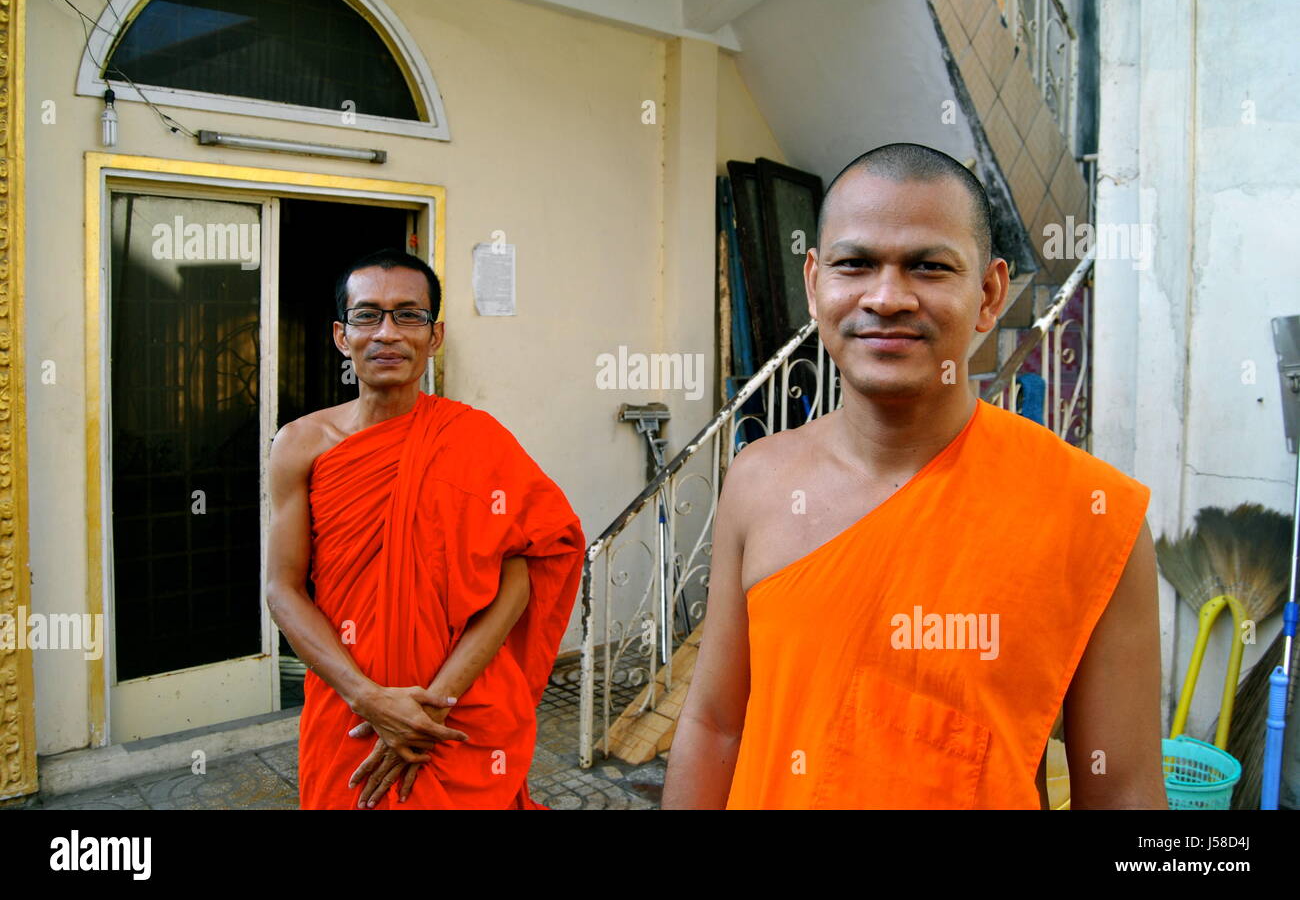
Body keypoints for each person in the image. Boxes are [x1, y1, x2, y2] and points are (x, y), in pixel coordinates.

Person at [662, 143, 1167, 809]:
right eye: (855, 264)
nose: (888, 297)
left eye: (929, 267)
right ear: (815, 285)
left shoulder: (1091, 513)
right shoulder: (759, 481)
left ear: (987, 294)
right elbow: (716, 725)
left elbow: (1124, 791)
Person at [267, 247, 584, 809]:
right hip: (348, 712)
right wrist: (368, 699)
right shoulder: (300, 445)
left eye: (407, 315)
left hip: (456, 716)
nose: (387, 333)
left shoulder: (476, 440)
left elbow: (521, 575)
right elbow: (283, 588)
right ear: (342, 336)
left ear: (434, 336)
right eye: (368, 315)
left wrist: (435, 703)